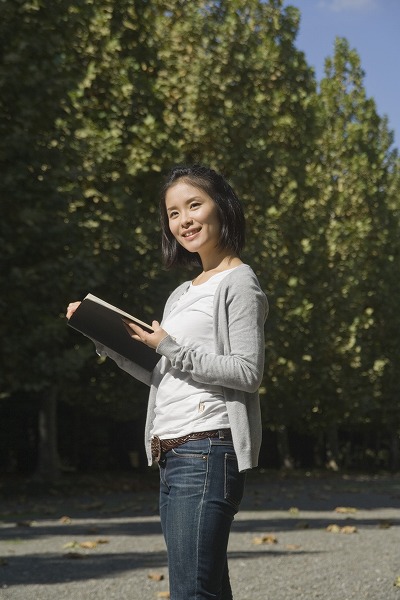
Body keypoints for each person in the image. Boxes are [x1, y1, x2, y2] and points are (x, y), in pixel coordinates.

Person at [66, 164, 268, 600]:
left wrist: (170, 345)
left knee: (191, 591)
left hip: (208, 447)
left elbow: (248, 374)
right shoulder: (183, 292)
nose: (184, 220)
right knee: (205, 589)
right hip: (172, 451)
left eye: (194, 205)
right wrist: (105, 338)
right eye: (173, 213)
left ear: (223, 207)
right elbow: (163, 374)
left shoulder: (240, 283)